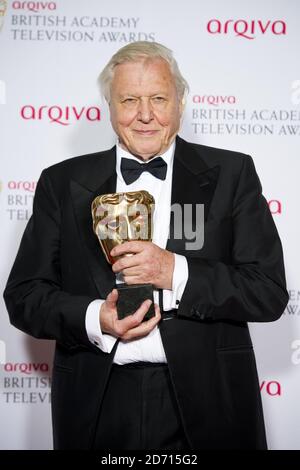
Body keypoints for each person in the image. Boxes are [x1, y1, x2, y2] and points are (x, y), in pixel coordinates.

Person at [3, 41, 288, 450]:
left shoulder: (232, 173)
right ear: (109, 105)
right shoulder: (61, 182)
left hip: (210, 403)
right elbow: (25, 296)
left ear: (181, 101)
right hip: (97, 402)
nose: (145, 115)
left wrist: (175, 272)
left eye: (158, 98)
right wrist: (94, 317)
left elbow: (268, 291)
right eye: (130, 99)